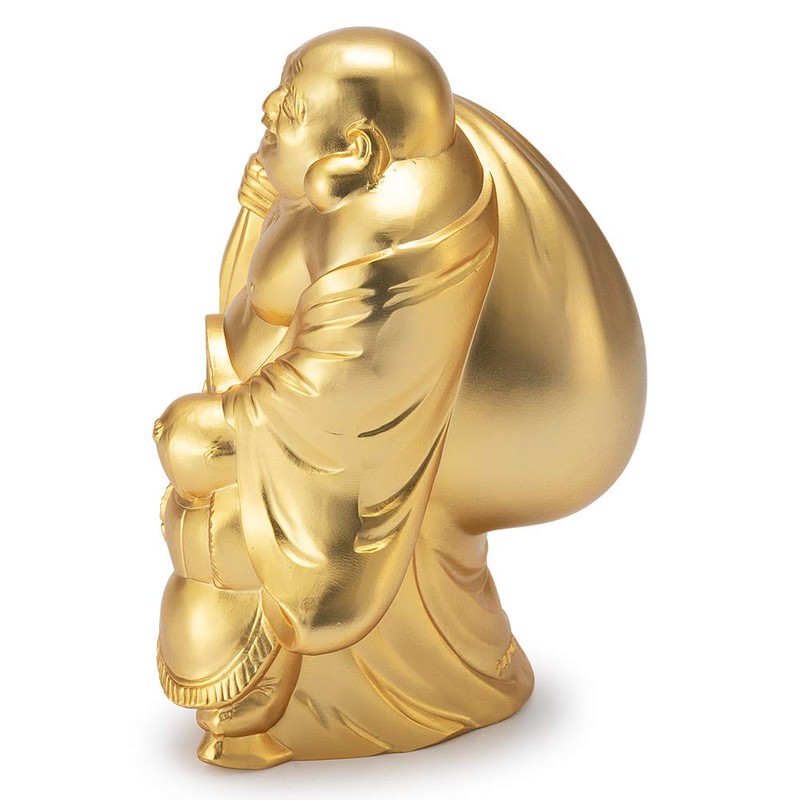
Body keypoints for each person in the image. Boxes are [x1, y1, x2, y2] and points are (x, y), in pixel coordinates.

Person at [154, 27, 645, 769]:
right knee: (202, 487)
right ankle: (255, 701)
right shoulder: (323, 196)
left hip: (372, 477)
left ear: (355, 152)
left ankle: (327, 701)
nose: (269, 107)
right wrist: (262, 211)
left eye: (291, 104)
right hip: (311, 438)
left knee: (205, 467)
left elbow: (338, 406)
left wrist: (222, 430)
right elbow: (250, 310)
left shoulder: (397, 238)